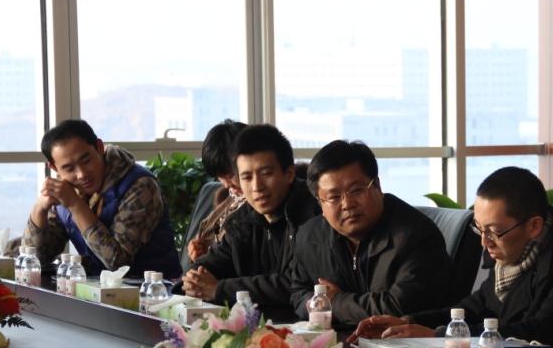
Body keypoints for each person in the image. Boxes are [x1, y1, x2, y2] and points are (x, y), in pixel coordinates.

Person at [350, 167, 553, 348]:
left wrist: (439, 336)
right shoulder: (512, 251)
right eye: (480, 229)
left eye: (494, 231)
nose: (484, 242)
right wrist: (408, 322)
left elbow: (539, 333)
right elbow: (474, 309)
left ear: (534, 226)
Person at [288, 140, 452, 330]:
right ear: (320, 204)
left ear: (377, 186)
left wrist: (335, 302)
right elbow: (297, 292)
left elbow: (397, 309)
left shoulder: (415, 235)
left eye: (357, 190)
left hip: (405, 343)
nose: (347, 204)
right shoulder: (309, 236)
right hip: (339, 340)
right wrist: (314, 304)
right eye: (334, 197)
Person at [182, 124, 319, 322]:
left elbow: (296, 283)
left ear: (289, 174)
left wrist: (219, 289)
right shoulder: (241, 219)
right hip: (255, 324)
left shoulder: (314, 214)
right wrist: (195, 278)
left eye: (266, 174)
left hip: (304, 328)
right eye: (246, 177)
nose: (256, 187)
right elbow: (215, 261)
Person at [23, 119, 181, 279]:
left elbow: (118, 263)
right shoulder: (67, 190)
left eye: (86, 160)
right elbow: (35, 260)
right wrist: (39, 208)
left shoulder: (140, 185)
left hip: (155, 290)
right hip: (97, 289)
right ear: (54, 168)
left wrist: (76, 206)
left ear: (99, 148)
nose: (81, 174)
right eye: (69, 168)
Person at [183, 120, 248, 265]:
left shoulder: (260, 205)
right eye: (220, 177)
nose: (226, 184)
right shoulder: (229, 200)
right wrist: (199, 252)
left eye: (230, 175)